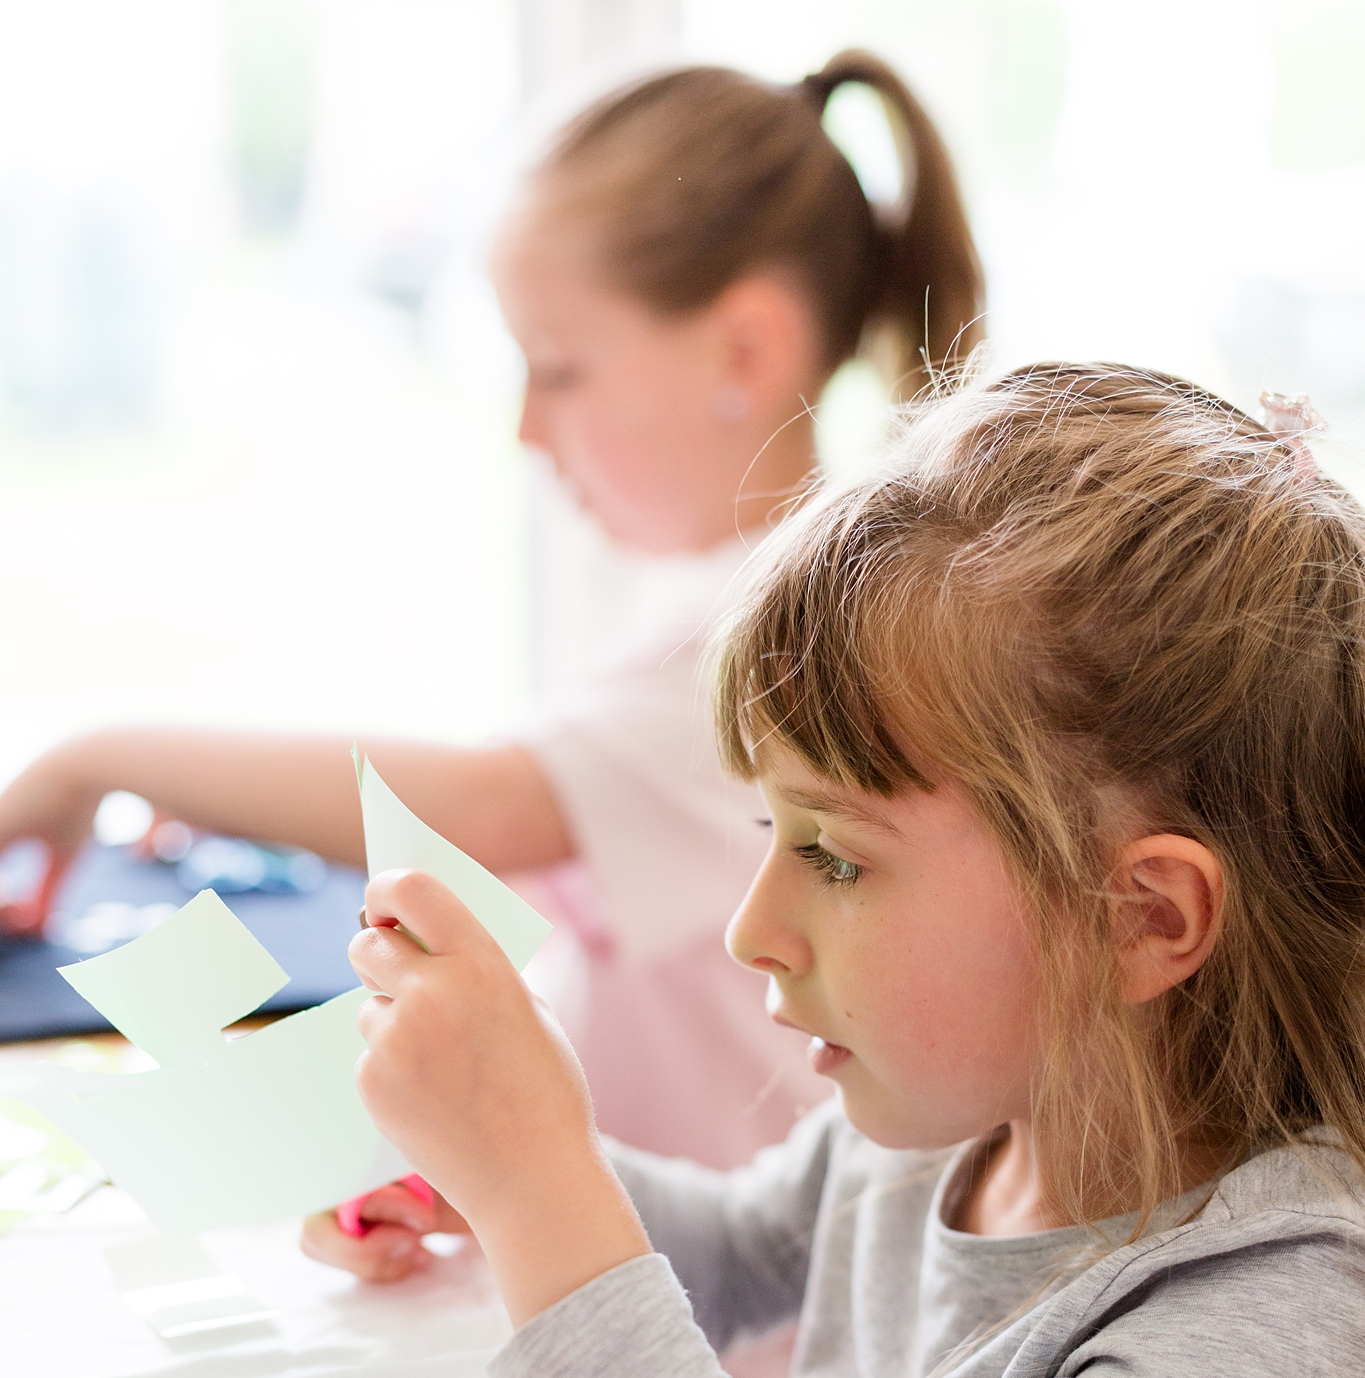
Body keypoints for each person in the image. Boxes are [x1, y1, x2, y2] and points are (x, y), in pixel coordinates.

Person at [323, 364, 1365, 1378]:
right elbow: (731, 1254)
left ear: (1144, 919)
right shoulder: (953, 1112)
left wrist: (541, 1180)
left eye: (838, 853)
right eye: (768, 830)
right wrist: (480, 1170)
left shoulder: (1276, 1312)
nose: (752, 923)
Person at [0, 51, 983, 1201]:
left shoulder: (785, 636)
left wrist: (95, 758)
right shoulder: (716, 601)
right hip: (649, 1237)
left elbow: (481, 803)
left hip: (725, 1319)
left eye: (558, 368)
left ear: (744, 351)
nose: (525, 426)